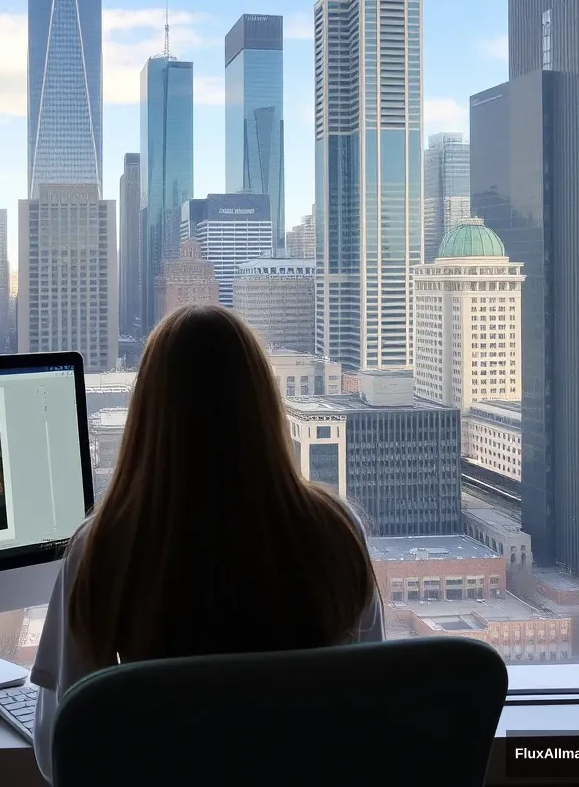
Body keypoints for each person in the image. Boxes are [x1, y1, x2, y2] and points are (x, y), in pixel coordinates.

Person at [29, 305, 384, 781]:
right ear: (265, 405)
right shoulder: (336, 530)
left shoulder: (103, 548)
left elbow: (62, 745)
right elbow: (373, 701)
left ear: (147, 415)